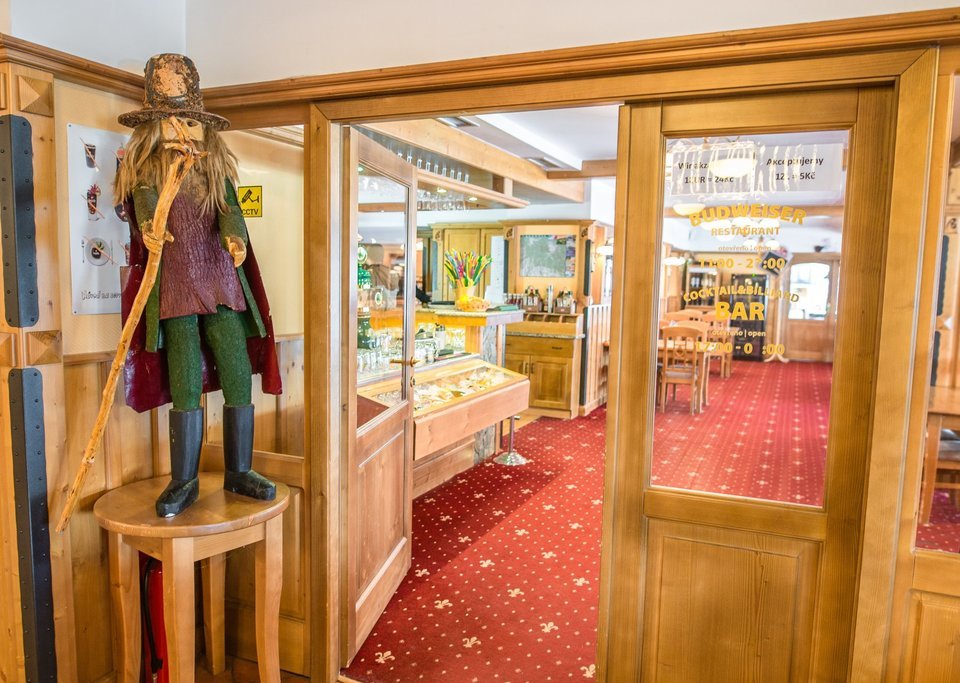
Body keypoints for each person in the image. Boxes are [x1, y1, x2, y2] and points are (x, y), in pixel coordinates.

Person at [116, 54, 282, 517]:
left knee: (236, 371)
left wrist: (235, 239)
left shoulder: (214, 169)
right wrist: (150, 228)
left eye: (188, 121)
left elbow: (230, 210)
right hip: (175, 286)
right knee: (185, 377)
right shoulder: (147, 169)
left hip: (220, 280)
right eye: (171, 121)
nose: (181, 130)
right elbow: (145, 205)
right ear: (153, 128)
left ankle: (239, 469)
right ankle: (183, 479)